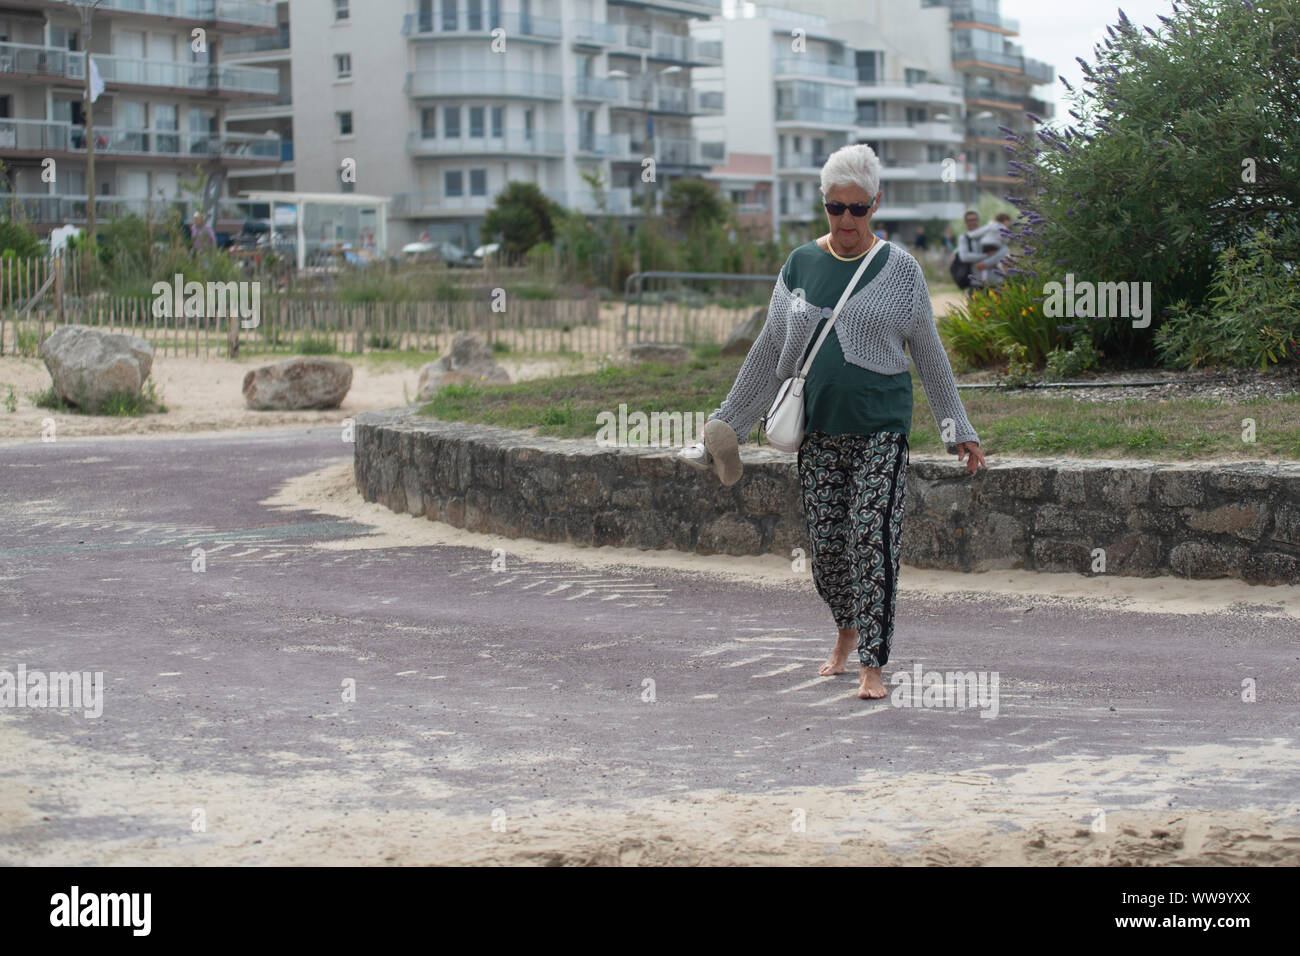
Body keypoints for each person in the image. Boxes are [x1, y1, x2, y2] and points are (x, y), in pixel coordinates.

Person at [680, 144, 985, 701]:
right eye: (835, 208)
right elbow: (770, 353)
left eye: (858, 209)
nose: (846, 221)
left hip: (881, 429)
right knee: (827, 550)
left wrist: (956, 428)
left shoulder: (901, 270)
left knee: (871, 536)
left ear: (876, 205)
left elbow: (930, 354)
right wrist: (726, 425)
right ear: (824, 205)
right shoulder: (799, 265)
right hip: (817, 432)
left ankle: (873, 659)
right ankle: (845, 626)